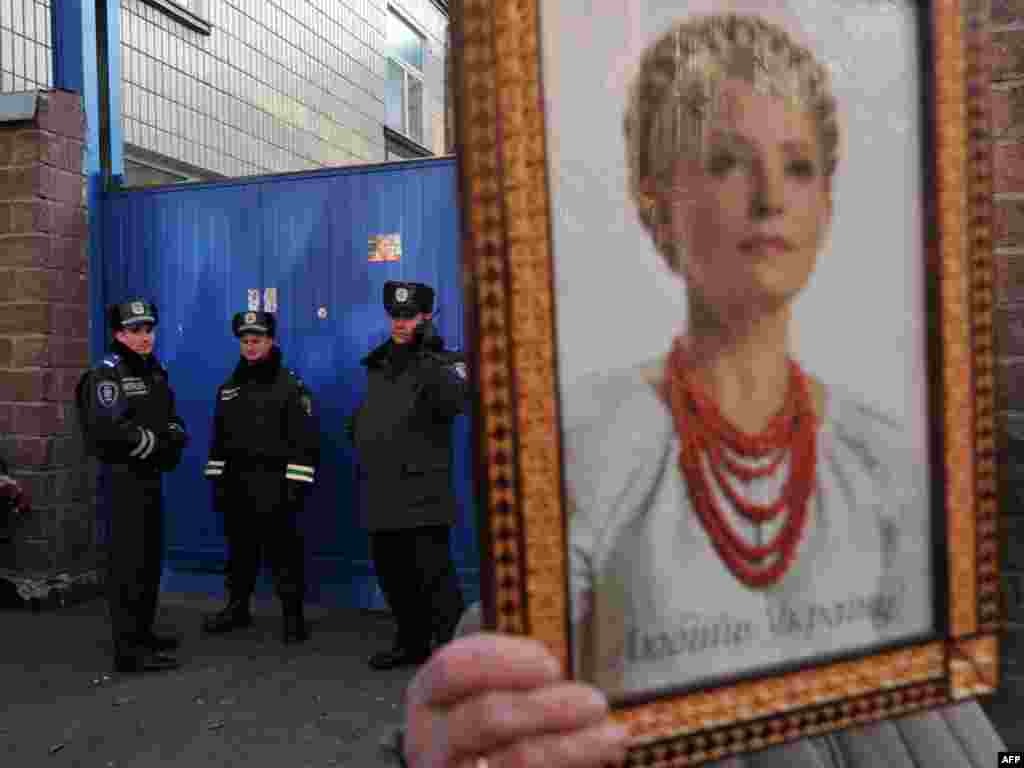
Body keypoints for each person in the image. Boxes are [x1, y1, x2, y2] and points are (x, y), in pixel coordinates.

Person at [558, 12, 933, 698]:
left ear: (826, 204)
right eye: (727, 162)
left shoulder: (881, 461)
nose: (769, 200)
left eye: (797, 167)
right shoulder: (589, 449)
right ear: (657, 202)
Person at [349, 280, 468, 670]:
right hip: (382, 491)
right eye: (396, 316)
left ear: (427, 316)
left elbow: (457, 402)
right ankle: (411, 642)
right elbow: (378, 410)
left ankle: (452, 653)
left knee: (435, 581)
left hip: (423, 495)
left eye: (410, 316)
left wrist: (428, 352)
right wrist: (360, 428)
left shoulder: (443, 362)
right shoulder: (379, 363)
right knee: (394, 578)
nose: (401, 323)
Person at [76, 299, 188, 674]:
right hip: (123, 478)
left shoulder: (155, 370)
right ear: (118, 333)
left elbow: (170, 417)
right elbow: (109, 430)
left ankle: (143, 631)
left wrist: (173, 436)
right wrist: (157, 445)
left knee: (148, 559)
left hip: (149, 478)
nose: (144, 337)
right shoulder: (107, 374)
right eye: (135, 330)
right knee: (127, 563)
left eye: (148, 329)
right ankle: (128, 649)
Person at [201, 311, 319, 644]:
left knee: (285, 555)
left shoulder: (290, 386)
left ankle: (293, 617)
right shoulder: (229, 389)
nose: (251, 346)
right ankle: (237, 609)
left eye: (257, 340)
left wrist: (295, 487)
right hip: (238, 484)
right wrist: (218, 483)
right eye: (245, 341)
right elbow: (218, 441)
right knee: (239, 553)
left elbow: (304, 442)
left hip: (276, 485)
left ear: (271, 341)